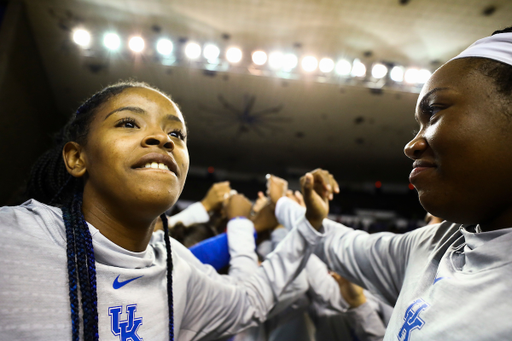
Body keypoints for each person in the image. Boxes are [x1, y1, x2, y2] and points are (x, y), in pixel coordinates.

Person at [0, 81, 334, 341]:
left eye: (176, 133)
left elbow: (250, 300)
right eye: (129, 123)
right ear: (77, 158)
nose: (163, 138)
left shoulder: (178, 269)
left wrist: (310, 223)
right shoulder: (12, 240)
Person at [278, 27, 512, 340]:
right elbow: (335, 242)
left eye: (435, 111)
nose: (412, 145)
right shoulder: (435, 246)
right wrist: (283, 204)